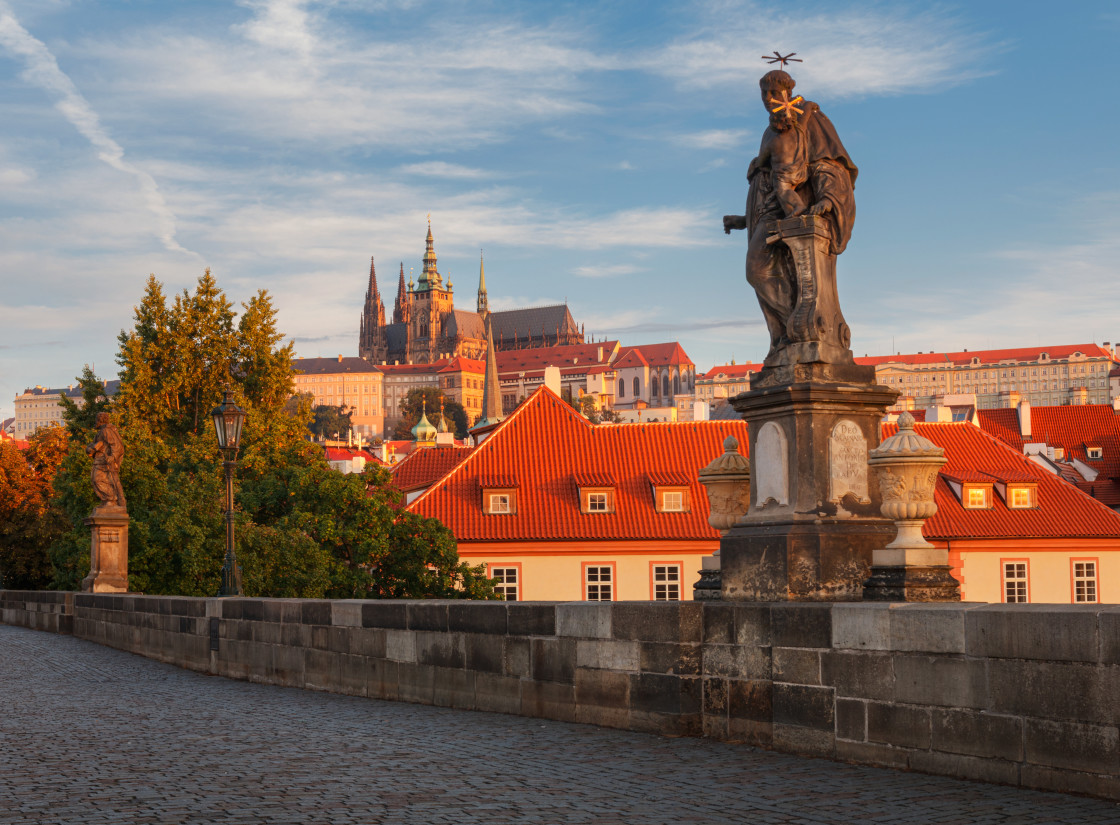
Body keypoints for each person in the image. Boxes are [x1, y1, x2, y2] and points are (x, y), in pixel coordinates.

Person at [724, 70, 858, 359]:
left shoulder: (810, 120)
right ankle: (789, 335)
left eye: (773, 93)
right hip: (770, 215)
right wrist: (744, 219)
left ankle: (801, 329)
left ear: (787, 92)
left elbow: (829, 164)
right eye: (764, 93)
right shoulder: (772, 130)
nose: (767, 99)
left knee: (759, 271)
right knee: (762, 273)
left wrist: (828, 198)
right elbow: (769, 183)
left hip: (798, 213)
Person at [87, 412, 126, 510]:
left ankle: (111, 499)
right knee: (95, 480)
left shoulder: (106, 431)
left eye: (97, 420)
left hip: (105, 461)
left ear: (100, 420)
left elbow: (117, 445)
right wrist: (90, 449)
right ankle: (107, 500)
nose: (96, 422)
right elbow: (94, 446)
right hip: (99, 460)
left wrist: (112, 457)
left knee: (98, 479)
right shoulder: (100, 432)